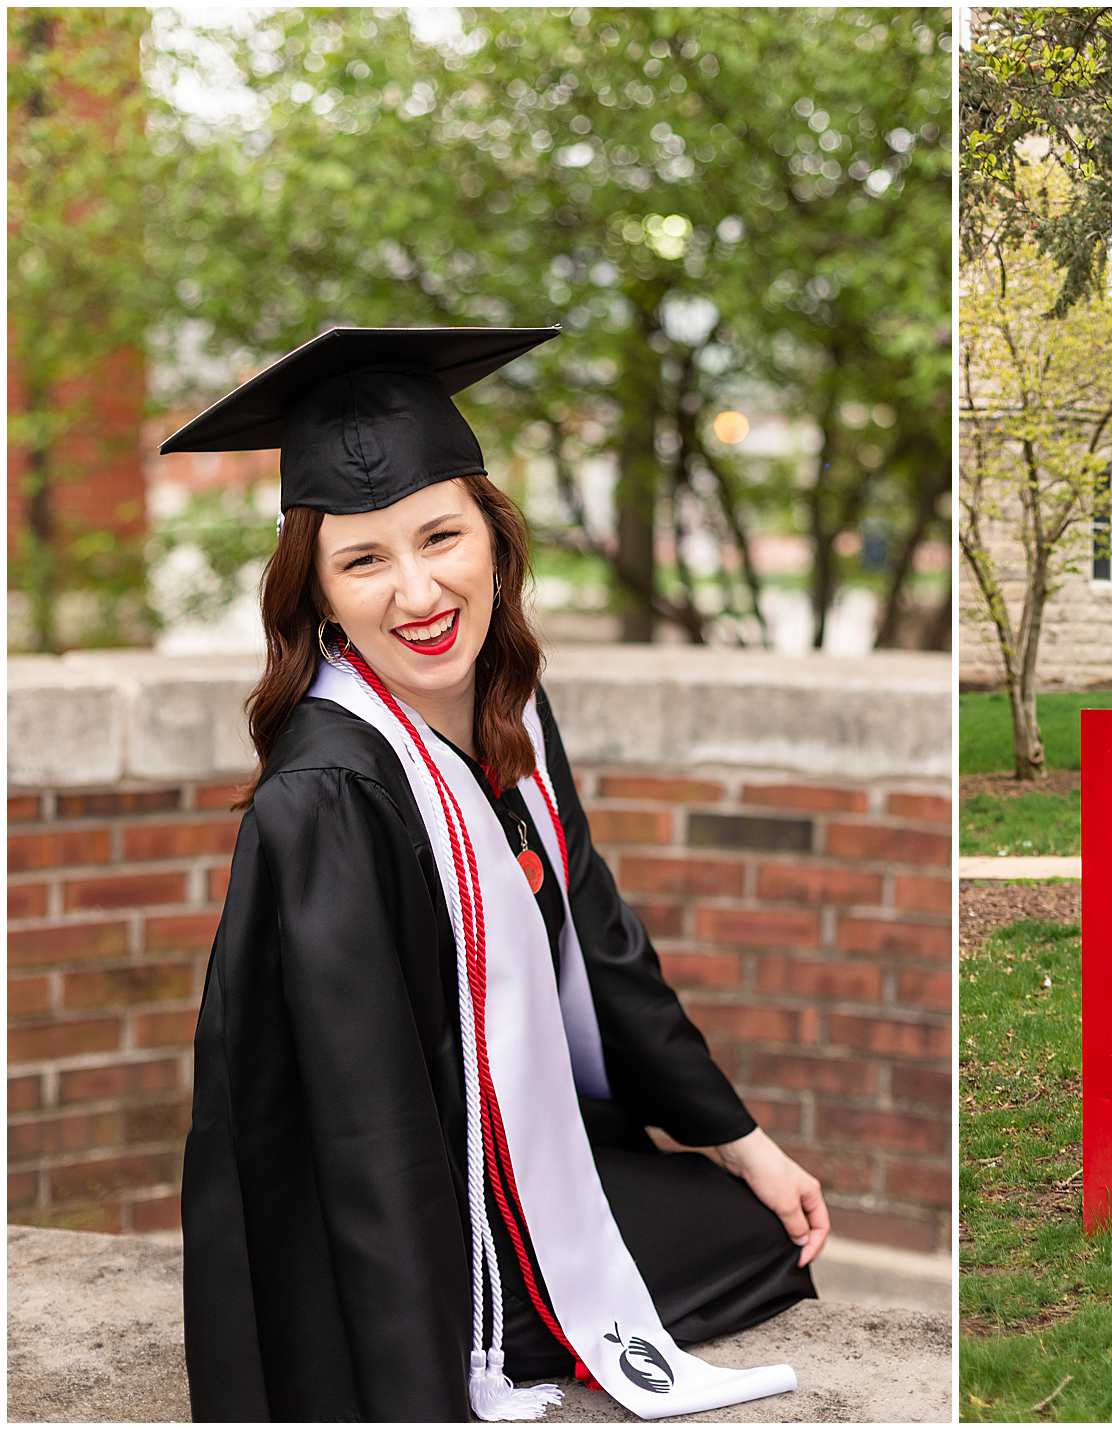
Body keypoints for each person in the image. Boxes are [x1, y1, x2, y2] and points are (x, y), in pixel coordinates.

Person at [165, 327, 826, 1421]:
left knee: (763, 1234)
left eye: (440, 536)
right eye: (364, 559)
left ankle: (540, 1311)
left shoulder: (509, 703)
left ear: (494, 539)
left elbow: (601, 944)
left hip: (520, 1157)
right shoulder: (328, 792)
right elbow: (360, 1115)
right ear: (319, 593)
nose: (417, 590)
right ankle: (500, 1333)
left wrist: (743, 1139)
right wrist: (411, 1370)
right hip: (392, 1212)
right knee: (631, 1288)